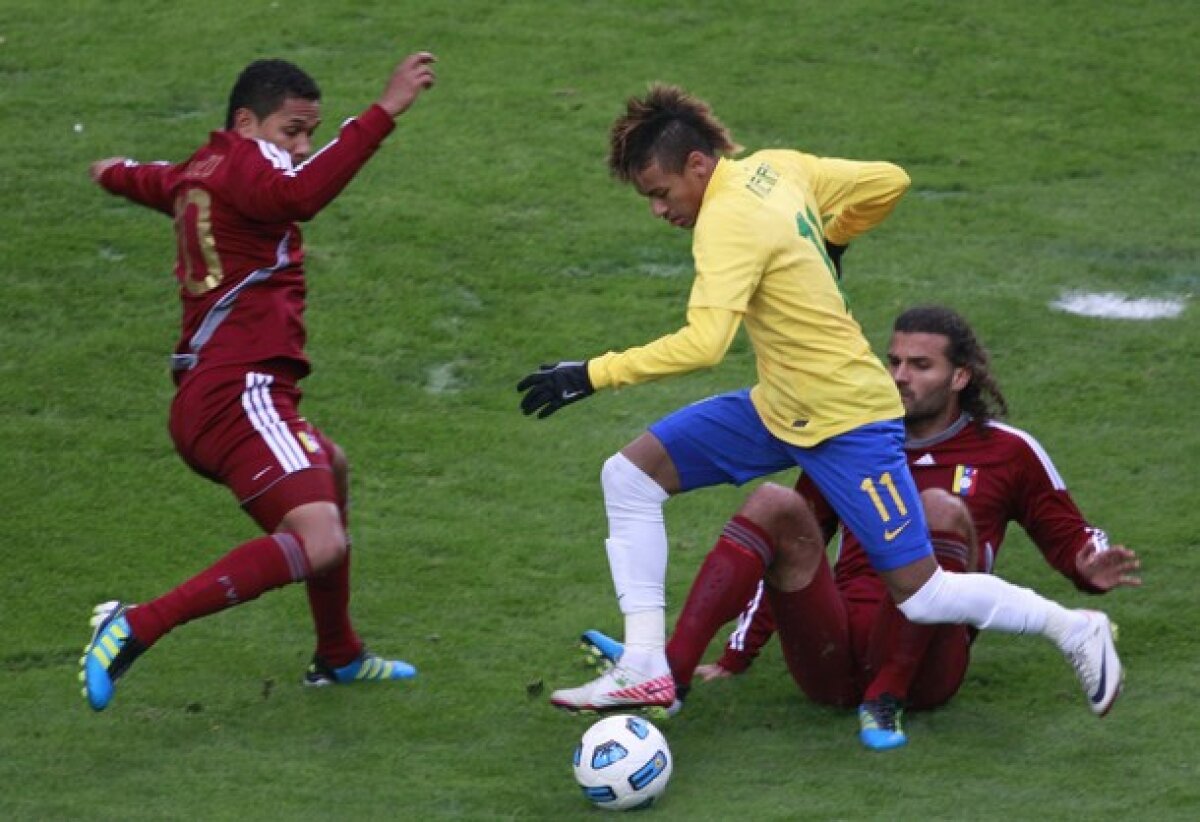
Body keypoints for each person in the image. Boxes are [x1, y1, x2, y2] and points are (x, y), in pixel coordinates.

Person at [516, 84, 1122, 719]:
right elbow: (889, 181)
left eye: (661, 193)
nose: (659, 211)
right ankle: (644, 668)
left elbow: (703, 344)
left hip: (847, 419)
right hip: (781, 405)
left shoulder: (726, 224)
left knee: (920, 593)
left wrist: (590, 374)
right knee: (630, 476)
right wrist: (833, 239)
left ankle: (1075, 629)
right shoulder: (777, 167)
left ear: (697, 165)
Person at [580, 305, 1141, 749]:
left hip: (927, 668)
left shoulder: (1009, 451)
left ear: (960, 377)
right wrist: (736, 657)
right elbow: (790, 546)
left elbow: (1070, 536)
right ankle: (669, 674)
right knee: (775, 502)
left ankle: (886, 698)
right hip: (833, 655)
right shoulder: (852, 441)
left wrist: (1090, 565)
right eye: (893, 361)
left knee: (939, 509)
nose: (899, 376)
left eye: (920, 366)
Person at [80, 53, 437, 711]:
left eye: (310, 133)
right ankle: (134, 625)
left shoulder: (204, 168)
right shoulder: (252, 165)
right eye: (291, 131)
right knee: (320, 538)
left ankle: (339, 655)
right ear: (246, 122)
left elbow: (151, 180)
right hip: (239, 394)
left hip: (212, 395)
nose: (300, 148)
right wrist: (385, 110)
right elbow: (301, 196)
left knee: (331, 467)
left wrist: (113, 174)